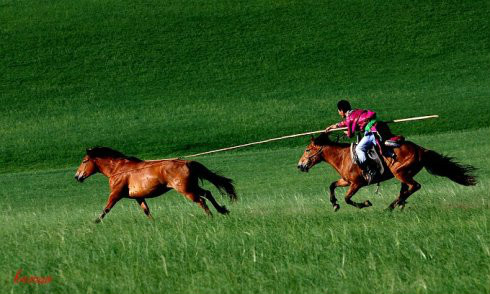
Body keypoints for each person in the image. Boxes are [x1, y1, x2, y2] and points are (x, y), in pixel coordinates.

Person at [325, 100, 381, 183]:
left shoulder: (349, 118)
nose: (339, 113)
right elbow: (347, 123)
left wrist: (346, 132)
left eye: (338, 111)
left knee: (359, 148)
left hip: (371, 132)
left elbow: (350, 135)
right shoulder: (355, 112)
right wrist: (334, 126)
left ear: (341, 110)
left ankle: (369, 170)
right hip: (374, 128)